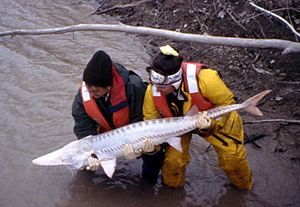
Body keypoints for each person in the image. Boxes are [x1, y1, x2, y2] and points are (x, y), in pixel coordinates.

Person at [125, 45, 253, 190]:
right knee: (173, 163)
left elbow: (227, 104)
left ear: (174, 80)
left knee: (233, 160)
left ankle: (244, 189)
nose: (158, 89)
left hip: (213, 119)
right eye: (155, 84)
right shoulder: (152, 90)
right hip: (179, 126)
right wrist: (150, 148)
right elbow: (150, 124)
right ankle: (173, 195)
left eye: (163, 86)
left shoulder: (207, 79)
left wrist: (210, 125)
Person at [72, 50, 154, 171]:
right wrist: (91, 155)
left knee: (152, 153)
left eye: (96, 91)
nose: (91, 94)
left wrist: (139, 148)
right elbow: (83, 129)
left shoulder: (134, 87)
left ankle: (148, 181)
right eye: (89, 89)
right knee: (85, 162)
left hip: (132, 129)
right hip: (104, 132)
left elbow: (142, 120)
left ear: (109, 87)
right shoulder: (82, 97)